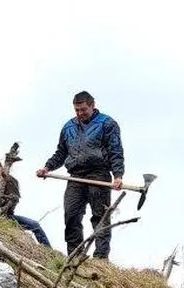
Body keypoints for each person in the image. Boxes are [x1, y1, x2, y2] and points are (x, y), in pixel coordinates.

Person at [36, 91, 125, 260]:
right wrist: (47, 167)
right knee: (71, 215)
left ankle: (100, 258)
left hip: (98, 174)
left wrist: (118, 175)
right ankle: (75, 256)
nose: (79, 113)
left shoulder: (107, 124)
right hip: (75, 176)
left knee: (100, 216)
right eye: (76, 110)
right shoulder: (68, 127)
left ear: (92, 106)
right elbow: (61, 153)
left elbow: (115, 151)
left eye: (83, 109)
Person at [0, 158, 51, 248]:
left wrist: (5, 206)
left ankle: (49, 250)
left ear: (2, 169)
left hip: (7, 216)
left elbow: (15, 199)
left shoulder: (11, 181)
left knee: (34, 225)